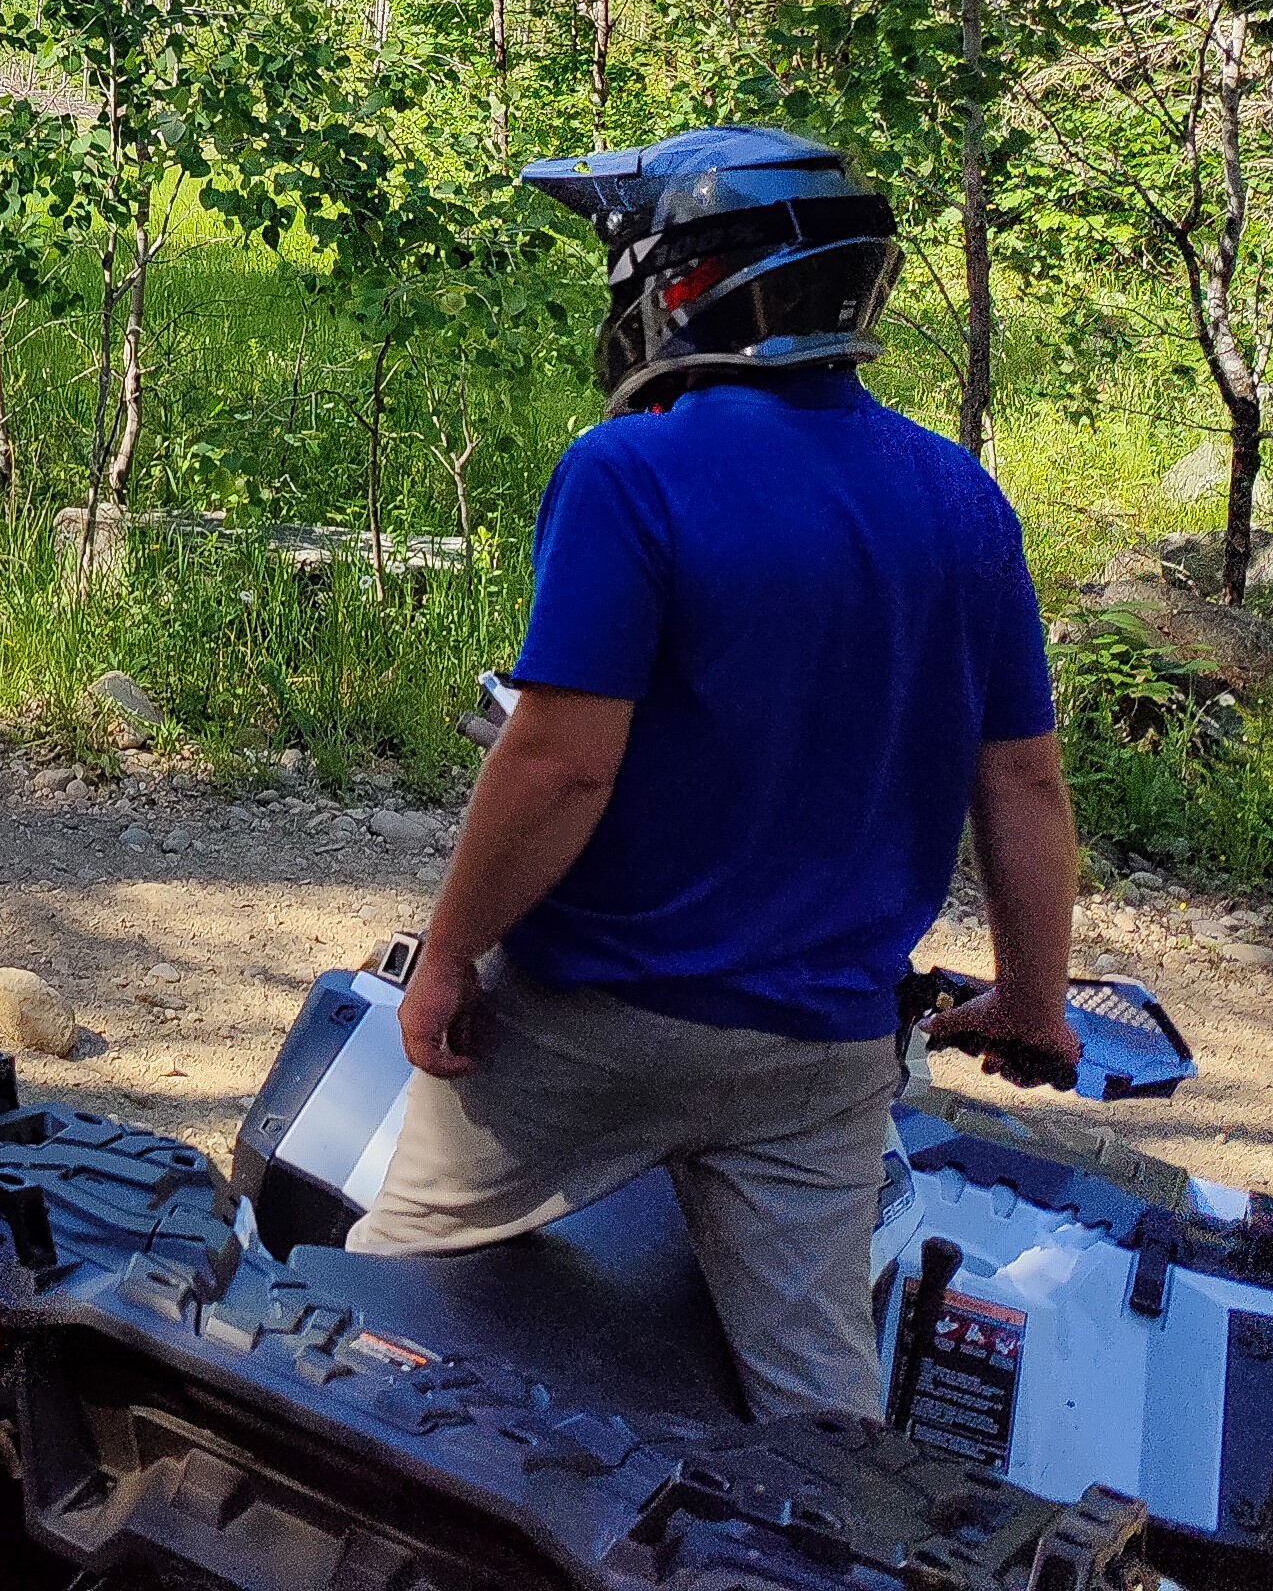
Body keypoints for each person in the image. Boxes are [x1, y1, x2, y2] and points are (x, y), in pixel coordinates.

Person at [344, 124, 1081, 1424]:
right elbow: (1022, 783)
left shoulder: (632, 470)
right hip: (823, 1052)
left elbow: (562, 764)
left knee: (374, 1315)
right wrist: (1033, 999)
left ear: (678, 288)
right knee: (818, 1418)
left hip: (595, 1026)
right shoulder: (963, 501)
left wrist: (451, 956)